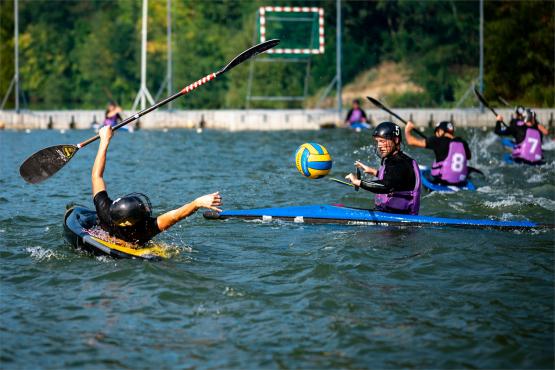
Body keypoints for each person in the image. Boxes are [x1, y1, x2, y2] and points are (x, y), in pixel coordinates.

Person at [92, 126, 222, 245]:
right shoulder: (147, 228)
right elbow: (176, 215)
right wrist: (197, 203)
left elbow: (97, 176)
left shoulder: (105, 211)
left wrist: (104, 141)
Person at [344, 121, 421, 215]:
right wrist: (373, 171)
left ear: (396, 140)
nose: (379, 146)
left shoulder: (399, 163)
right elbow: (395, 178)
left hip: (399, 220)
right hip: (389, 213)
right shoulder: (395, 159)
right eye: (377, 141)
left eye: (383, 141)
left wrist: (358, 182)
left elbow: (386, 186)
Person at [405, 120, 472, 185]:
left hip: (442, 181)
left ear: (441, 131)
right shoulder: (463, 143)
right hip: (460, 181)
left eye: (437, 131)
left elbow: (411, 142)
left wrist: (407, 130)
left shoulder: (437, 140)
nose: (436, 134)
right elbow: (469, 157)